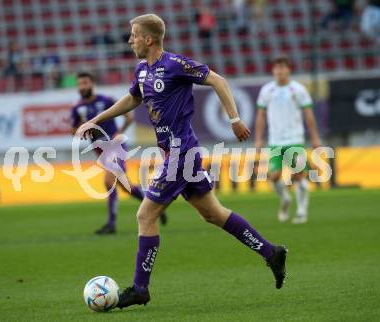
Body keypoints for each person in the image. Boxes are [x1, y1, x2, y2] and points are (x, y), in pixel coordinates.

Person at [76, 14, 287, 309]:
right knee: (213, 213)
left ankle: (140, 288)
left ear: (148, 39)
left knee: (145, 216)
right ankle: (271, 253)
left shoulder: (175, 65)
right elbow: (132, 99)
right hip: (174, 153)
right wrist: (96, 120)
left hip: (181, 153)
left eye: (134, 35)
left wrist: (235, 119)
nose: (130, 40)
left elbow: (218, 80)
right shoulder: (141, 71)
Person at [70, 72, 167, 235]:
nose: (82, 87)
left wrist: (119, 132)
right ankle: (155, 206)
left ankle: (111, 224)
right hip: (99, 149)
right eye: (80, 84)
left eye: (85, 83)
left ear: (92, 83)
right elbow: (73, 130)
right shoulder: (77, 108)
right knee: (125, 186)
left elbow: (129, 117)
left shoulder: (106, 100)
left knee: (109, 182)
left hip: (115, 145)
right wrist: (80, 131)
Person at [255, 56, 321, 224]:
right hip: (275, 141)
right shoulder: (267, 90)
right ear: (273, 70)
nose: (280, 71)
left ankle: (301, 211)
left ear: (288, 70)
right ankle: (285, 199)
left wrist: (314, 137)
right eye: (277, 67)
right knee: (274, 176)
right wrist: (258, 139)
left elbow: (308, 115)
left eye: (283, 67)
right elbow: (261, 116)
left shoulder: (298, 90)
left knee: (299, 175)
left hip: (295, 139)